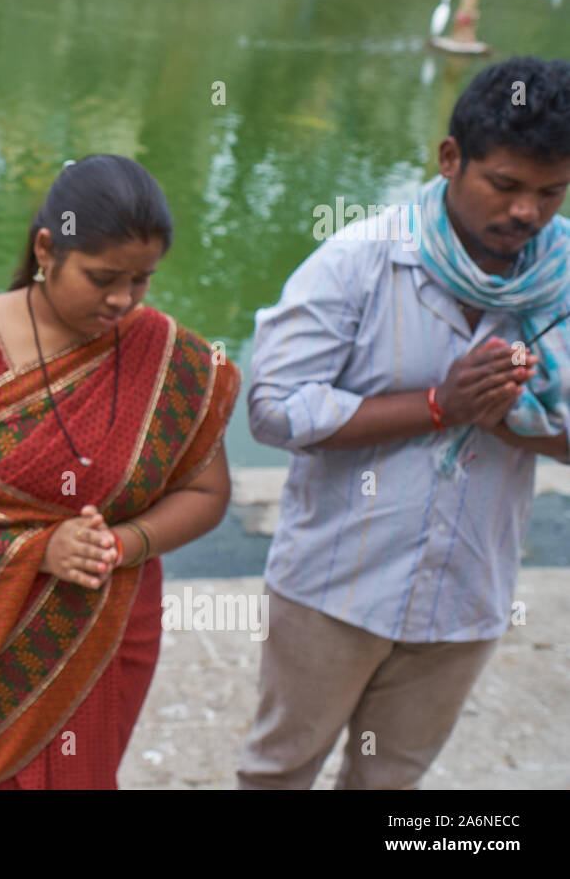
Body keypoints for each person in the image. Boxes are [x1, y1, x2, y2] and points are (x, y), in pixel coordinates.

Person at [238, 56, 570, 789]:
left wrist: (513, 422)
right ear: (451, 159)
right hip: (335, 585)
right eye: (506, 185)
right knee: (279, 770)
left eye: (551, 192)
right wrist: (437, 408)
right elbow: (274, 407)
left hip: (467, 589)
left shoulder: (564, 280)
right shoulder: (359, 260)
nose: (528, 213)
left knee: (391, 780)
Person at [0, 154, 241, 789]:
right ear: (47, 249)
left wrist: (120, 545)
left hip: (103, 626)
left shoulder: (172, 360)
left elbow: (208, 491)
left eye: (142, 280)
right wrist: (39, 549)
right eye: (103, 278)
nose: (123, 300)